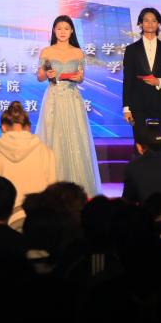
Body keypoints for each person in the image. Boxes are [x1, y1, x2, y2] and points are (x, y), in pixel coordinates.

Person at [35, 15, 101, 196]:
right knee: (52, 137)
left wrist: (79, 78)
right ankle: (52, 187)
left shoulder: (78, 52)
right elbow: (39, 76)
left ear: (72, 31)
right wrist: (47, 74)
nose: (62, 32)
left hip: (72, 98)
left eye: (66, 28)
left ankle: (78, 188)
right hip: (53, 98)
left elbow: (81, 77)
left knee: (75, 137)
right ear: (54, 31)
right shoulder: (47, 51)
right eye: (59, 28)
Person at [0, 101, 56, 228]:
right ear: (28, 127)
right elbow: (52, 188)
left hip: (4, 218)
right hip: (37, 218)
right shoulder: (44, 150)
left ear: (4, 127)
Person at [122, 7, 161, 143]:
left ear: (158, 23)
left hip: (159, 103)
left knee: (158, 145)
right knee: (140, 144)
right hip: (137, 105)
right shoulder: (131, 50)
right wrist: (126, 108)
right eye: (146, 20)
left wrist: (159, 82)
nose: (150, 23)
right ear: (140, 23)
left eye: (154, 20)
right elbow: (128, 80)